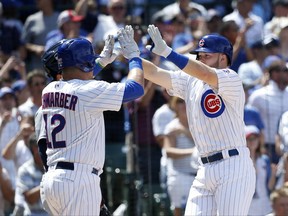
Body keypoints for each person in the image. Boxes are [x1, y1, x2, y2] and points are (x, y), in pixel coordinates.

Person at [132, 24, 256, 215]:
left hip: (233, 165)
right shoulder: (191, 80)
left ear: (223, 58)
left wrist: (167, 52)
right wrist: (131, 57)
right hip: (204, 167)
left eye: (208, 55)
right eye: (200, 55)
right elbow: (155, 74)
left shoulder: (231, 77)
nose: (201, 58)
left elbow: (205, 73)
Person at [39, 25, 144, 215]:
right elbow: (136, 89)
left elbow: (77, 81)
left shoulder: (50, 89)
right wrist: (135, 58)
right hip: (78, 180)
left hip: (52, 181)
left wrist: (101, 62)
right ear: (84, 64)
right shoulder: (87, 91)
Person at [163, 96, 198, 216]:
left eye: (186, 101)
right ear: (175, 106)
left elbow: (204, 144)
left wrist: (185, 132)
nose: (183, 105)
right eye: (180, 102)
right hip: (180, 176)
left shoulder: (198, 124)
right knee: (179, 211)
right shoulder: (171, 127)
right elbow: (169, 152)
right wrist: (193, 151)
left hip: (200, 176)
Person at [245, 125, 274, 216]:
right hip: (247, 206)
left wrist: (274, 173)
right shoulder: (241, 161)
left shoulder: (264, 159)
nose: (252, 141)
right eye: (249, 139)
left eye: (255, 138)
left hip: (264, 205)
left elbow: (269, 186)